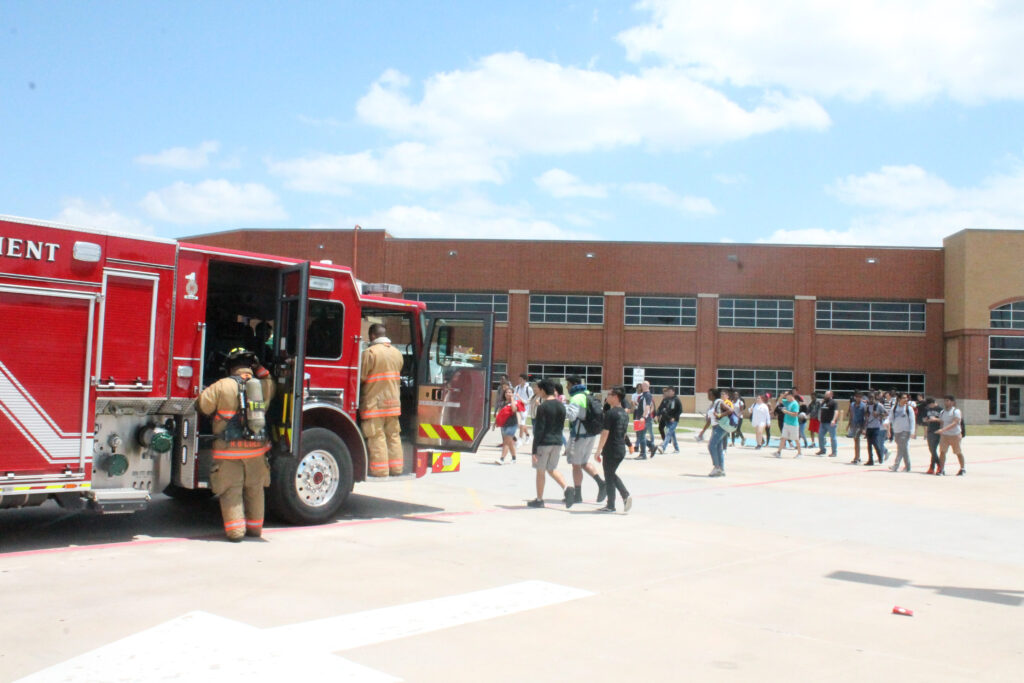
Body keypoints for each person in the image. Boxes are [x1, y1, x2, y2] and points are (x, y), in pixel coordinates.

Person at [197, 348, 275, 542]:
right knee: (255, 489)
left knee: (231, 490)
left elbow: (202, 406)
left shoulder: (222, 386)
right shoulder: (264, 386)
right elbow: (270, 380)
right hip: (256, 451)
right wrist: (260, 368)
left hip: (228, 451)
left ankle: (235, 532)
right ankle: (255, 530)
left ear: (230, 367)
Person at [360, 323, 404, 477]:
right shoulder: (397, 353)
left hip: (375, 404)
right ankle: (397, 469)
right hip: (393, 404)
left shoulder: (370, 353)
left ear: (372, 336)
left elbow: (361, 377)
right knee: (393, 436)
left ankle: (380, 470)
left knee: (376, 436)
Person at [526, 379, 575, 508]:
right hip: (557, 441)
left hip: (544, 443)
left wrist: (534, 450)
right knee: (551, 469)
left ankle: (539, 499)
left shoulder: (542, 407)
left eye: (538, 389)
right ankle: (567, 487)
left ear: (542, 390)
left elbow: (539, 429)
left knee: (540, 471)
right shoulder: (561, 406)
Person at [564, 375, 607, 502]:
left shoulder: (576, 398)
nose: (567, 387)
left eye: (568, 384)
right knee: (584, 462)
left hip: (579, 435)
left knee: (576, 464)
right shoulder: (589, 395)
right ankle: (600, 483)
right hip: (591, 433)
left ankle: (578, 495)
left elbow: (571, 416)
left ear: (573, 384)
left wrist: (564, 407)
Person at [594, 387, 632, 513]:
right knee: (610, 474)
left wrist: (598, 450)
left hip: (611, 448)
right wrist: (629, 444)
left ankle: (616, 501)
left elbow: (605, 433)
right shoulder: (624, 414)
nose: (607, 397)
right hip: (620, 448)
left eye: (609, 394)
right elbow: (624, 433)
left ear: (616, 397)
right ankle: (616, 501)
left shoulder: (611, 413)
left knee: (609, 475)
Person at [886, 393, 916, 472]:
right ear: (899, 399)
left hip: (905, 431)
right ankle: (908, 466)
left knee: (900, 449)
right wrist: (886, 422)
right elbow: (890, 418)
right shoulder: (894, 408)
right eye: (903, 398)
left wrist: (912, 431)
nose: (906, 399)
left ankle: (895, 466)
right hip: (897, 431)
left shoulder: (909, 409)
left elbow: (912, 421)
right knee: (903, 449)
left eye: (906, 398)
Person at [936, 395, 966, 476]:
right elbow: (942, 422)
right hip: (945, 436)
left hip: (955, 435)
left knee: (958, 452)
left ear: (952, 402)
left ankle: (962, 469)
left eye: (948, 401)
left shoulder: (956, 411)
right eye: (945, 401)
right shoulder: (942, 412)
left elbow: (955, 422)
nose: (946, 402)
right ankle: (941, 470)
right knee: (942, 452)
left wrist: (943, 429)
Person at [492, 386, 522, 464]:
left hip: (512, 425)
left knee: (506, 442)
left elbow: (514, 410)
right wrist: (495, 422)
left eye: (510, 392)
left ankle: (502, 459)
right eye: (506, 392)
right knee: (510, 442)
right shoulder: (502, 403)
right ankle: (514, 458)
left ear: (512, 394)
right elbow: (500, 414)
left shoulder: (515, 402)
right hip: (504, 425)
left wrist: (512, 399)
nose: (508, 394)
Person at [707, 388, 732, 476]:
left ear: (713, 395)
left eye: (709, 394)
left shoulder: (719, 402)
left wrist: (720, 415)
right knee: (718, 448)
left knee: (711, 446)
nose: (708, 395)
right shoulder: (713, 404)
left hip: (720, 427)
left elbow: (730, 410)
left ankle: (717, 467)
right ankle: (721, 469)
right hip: (715, 427)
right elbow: (710, 419)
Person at [773, 390, 802, 458]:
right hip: (786, 423)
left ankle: (800, 453)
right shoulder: (787, 402)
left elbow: (795, 414)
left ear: (791, 395)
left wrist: (786, 412)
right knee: (783, 438)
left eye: (787, 396)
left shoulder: (795, 404)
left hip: (793, 424)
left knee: (796, 439)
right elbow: (779, 401)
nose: (786, 397)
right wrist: (782, 395)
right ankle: (778, 452)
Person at [862, 392, 887, 466]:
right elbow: (866, 418)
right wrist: (864, 428)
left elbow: (886, 413)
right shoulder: (867, 406)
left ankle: (880, 456)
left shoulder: (879, 405)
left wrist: (878, 414)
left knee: (875, 443)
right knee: (869, 444)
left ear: (875, 397)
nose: (871, 399)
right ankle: (870, 460)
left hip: (876, 427)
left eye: (872, 397)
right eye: (869, 397)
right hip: (869, 427)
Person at [920, 397, 943, 474]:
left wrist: (935, 419)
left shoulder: (940, 410)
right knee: (931, 449)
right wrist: (925, 419)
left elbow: (944, 420)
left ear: (933, 403)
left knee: (933, 449)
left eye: (929, 405)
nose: (929, 407)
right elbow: (925, 418)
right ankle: (935, 466)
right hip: (930, 430)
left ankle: (935, 466)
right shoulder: (928, 409)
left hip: (937, 431)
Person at [656, 386, 683, 453]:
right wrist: (657, 415)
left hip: (674, 420)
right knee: (672, 434)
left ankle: (663, 448)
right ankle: (677, 449)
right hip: (667, 419)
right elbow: (660, 408)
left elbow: (680, 410)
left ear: (673, 392)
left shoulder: (676, 399)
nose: (668, 392)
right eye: (667, 391)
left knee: (668, 433)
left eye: (669, 391)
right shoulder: (666, 399)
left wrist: (675, 417)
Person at [634, 381, 655, 459]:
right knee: (639, 435)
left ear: (646, 386)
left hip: (644, 419)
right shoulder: (642, 395)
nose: (641, 387)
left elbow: (647, 407)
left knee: (641, 436)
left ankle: (643, 454)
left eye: (642, 385)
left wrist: (643, 417)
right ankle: (652, 446)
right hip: (639, 418)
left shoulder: (648, 395)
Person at [815, 390, 840, 457]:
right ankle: (822, 450)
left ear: (831, 395)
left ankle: (834, 452)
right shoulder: (823, 402)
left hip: (830, 423)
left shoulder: (834, 402)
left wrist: (833, 420)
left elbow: (836, 412)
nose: (825, 395)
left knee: (833, 437)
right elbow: (821, 410)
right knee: (820, 436)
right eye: (825, 394)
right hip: (823, 422)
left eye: (827, 394)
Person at [512, 374, 535, 444]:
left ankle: (520, 439)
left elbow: (530, 399)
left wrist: (522, 400)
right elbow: (514, 396)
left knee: (522, 422)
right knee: (521, 423)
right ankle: (528, 435)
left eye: (521, 379)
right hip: (518, 407)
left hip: (525, 408)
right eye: (519, 379)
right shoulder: (517, 388)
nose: (519, 380)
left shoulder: (529, 389)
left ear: (525, 380)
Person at [846, 391, 866, 464]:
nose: (858, 398)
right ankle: (857, 456)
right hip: (854, 425)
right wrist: (849, 425)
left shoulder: (863, 406)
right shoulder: (852, 405)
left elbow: (865, 417)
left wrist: (864, 428)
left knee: (857, 440)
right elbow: (851, 415)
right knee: (855, 441)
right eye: (857, 397)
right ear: (855, 397)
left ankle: (857, 457)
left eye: (860, 397)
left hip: (860, 425)